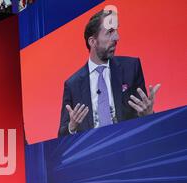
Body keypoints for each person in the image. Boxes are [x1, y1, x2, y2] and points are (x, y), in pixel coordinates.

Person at [58, 9, 161, 137]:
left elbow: (144, 118)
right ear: (92, 42)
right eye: (110, 32)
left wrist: (149, 115)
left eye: (116, 31)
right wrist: (71, 127)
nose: (117, 37)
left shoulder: (131, 68)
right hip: (91, 152)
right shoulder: (72, 85)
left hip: (128, 147)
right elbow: (61, 137)